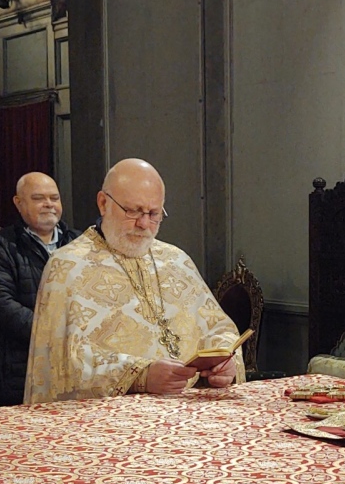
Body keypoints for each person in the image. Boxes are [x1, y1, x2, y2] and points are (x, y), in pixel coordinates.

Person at [25, 159, 242, 403]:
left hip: (192, 409)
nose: (144, 224)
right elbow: (63, 362)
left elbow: (218, 327)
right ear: (104, 203)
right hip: (112, 421)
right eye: (133, 211)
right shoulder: (68, 267)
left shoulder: (176, 260)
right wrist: (141, 375)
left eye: (154, 214)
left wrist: (225, 363)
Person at [0, 172, 82, 407]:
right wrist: (51, 332)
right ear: (18, 203)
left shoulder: (80, 243)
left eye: (54, 198)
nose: (49, 205)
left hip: (76, 366)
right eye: (38, 198)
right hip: (19, 368)